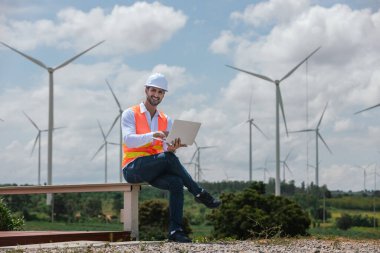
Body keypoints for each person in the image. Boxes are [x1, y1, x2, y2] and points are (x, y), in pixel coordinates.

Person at [121, 73, 221, 243]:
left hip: (155, 166)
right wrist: (153, 135)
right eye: (153, 90)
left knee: (175, 182)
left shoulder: (166, 119)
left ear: (163, 95)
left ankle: (176, 231)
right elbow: (128, 139)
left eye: (160, 92)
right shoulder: (130, 113)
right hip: (133, 168)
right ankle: (198, 192)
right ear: (146, 90)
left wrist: (173, 147)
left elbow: (165, 148)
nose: (156, 95)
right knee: (168, 158)